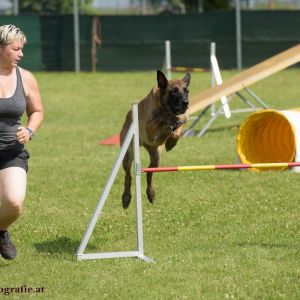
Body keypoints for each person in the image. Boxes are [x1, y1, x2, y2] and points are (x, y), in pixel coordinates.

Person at [0, 24, 44, 260]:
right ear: (1, 48)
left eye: (22, 49)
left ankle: (1, 230)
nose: (21, 54)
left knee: (14, 203)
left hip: (11, 152)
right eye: (16, 49)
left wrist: (29, 130)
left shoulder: (25, 78)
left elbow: (37, 111)